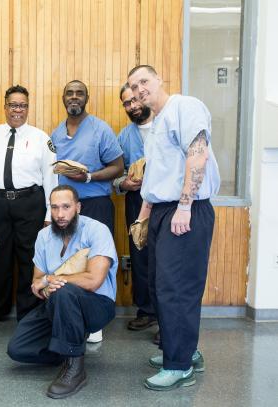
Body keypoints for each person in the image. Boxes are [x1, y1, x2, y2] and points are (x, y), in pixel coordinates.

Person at [127, 65, 220, 390]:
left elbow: (198, 156)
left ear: (159, 80)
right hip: (163, 211)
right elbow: (154, 178)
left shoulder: (185, 106)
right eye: (133, 86)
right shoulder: (156, 125)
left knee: (176, 288)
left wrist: (184, 206)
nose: (138, 90)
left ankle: (179, 366)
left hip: (186, 209)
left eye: (144, 81)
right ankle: (183, 350)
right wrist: (143, 217)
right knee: (159, 286)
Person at [7, 185, 117, 399]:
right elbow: (36, 283)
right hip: (57, 304)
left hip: (97, 304)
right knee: (18, 349)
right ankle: (67, 340)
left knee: (63, 291)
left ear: (78, 207)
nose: (60, 214)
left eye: (66, 207)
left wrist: (54, 280)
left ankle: (75, 368)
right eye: (54, 207)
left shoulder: (97, 230)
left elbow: (94, 280)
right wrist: (44, 283)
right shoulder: (44, 236)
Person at [50, 79, 123, 343]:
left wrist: (90, 177)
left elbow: (118, 166)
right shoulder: (56, 134)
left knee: (95, 261)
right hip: (65, 210)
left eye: (79, 93)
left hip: (96, 203)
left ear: (86, 98)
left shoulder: (100, 129)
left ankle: (95, 322)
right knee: (69, 259)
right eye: (69, 93)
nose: (74, 97)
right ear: (63, 98)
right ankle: (71, 314)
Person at [0, 85, 57, 323]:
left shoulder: (40, 138)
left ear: (28, 108)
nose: (18, 110)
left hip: (30, 203)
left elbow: (51, 177)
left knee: (28, 258)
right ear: (5, 107)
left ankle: (28, 312)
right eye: (13, 105)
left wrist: (49, 214)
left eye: (22, 105)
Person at [114, 84, 157, 332]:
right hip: (136, 201)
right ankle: (146, 311)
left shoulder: (165, 128)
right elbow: (115, 175)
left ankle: (166, 320)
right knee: (139, 256)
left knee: (164, 260)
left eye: (134, 100)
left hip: (165, 203)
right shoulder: (123, 136)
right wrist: (125, 183)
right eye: (126, 103)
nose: (132, 106)